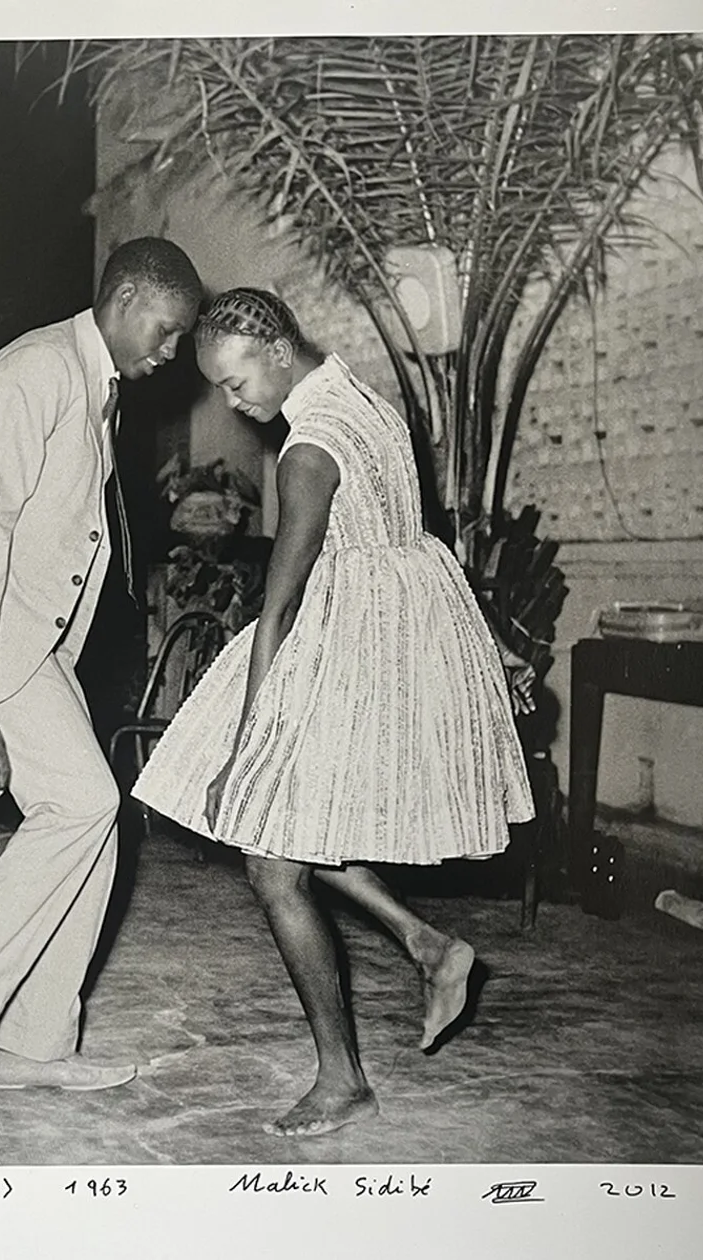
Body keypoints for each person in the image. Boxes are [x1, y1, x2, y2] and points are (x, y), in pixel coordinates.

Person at [132, 288, 535, 1138]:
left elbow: (278, 609)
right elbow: (423, 542)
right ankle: (428, 945)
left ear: (279, 351)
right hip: (404, 637)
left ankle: (343, 1078)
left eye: (238, 383)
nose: (234, 403)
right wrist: (488, 646)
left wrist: (245, 744)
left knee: (271, 864)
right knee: (296, 834)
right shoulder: (368, 402)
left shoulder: (308, 449)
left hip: (346, 650)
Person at [0, 237, 203, 1131]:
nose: (172, 352)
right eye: (167, 330)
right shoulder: (39, 372)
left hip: (30, 639)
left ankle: (33, 1045)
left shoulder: (89, 381)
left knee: (94, 818)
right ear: (125, 299)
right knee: (85, 805)